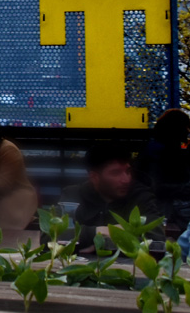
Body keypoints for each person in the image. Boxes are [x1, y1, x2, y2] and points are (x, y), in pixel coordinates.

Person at [60, 142, 160, 253]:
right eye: (116, 173)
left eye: (128, 171)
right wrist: (99, 231)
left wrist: (105, 244)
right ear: (94, 177)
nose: (126, 179)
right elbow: (54, 236)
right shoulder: (73, 194)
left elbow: (157, 241)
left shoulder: (141, 196)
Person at [133, 108, 190, 237]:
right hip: (165, 205)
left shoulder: (161, 149)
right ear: (176, 129)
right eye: (185, 127)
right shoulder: (158, 152)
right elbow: (156, 186)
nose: (187, 131)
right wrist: (185, 188)